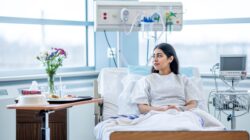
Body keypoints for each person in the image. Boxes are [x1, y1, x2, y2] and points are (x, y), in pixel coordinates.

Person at [131, 43, 200, 114]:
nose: (155, 59)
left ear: (170, 59)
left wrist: (179, 109)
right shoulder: (146, 80)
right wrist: (161, 110)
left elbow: (192, 104)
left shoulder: (183, 80)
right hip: (157, 115)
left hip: (181, 114)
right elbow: (142, 108)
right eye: (153, 56)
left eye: (159, 56)